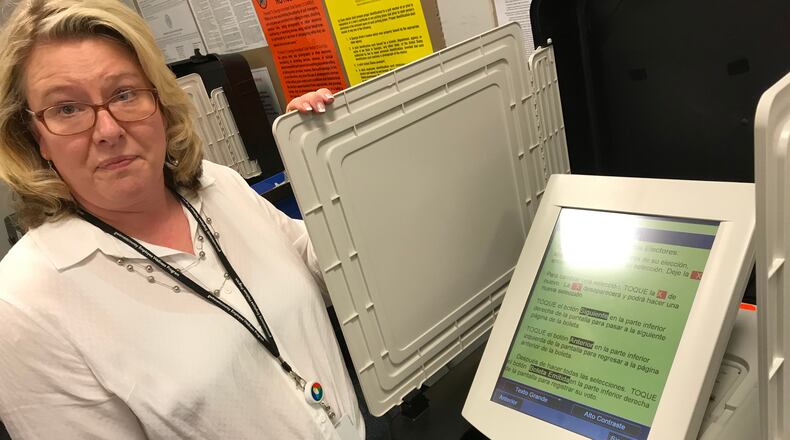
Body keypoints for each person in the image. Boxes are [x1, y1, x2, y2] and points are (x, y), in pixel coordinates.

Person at [0, 0, 358, 439]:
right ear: (33, 136)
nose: (108, 130)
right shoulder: (23, 304)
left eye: (125, 94)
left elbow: (325, 269)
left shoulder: (216, 184)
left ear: (161, 102)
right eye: (67, 109)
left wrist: (335, 163)